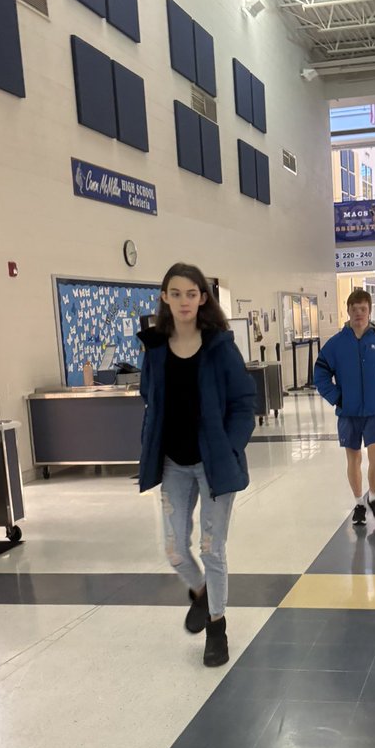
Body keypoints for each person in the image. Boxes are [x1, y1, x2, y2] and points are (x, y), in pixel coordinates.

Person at [138, 263, 256, 667]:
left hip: (214, 464)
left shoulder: (219, 346)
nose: (184, 301)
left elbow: (244, 403)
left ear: (203, 298)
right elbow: (148, 396)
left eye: (192, 293)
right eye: (176, 293)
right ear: (165, 298)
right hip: (172, 462)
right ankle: (203, 595)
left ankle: (217, 628)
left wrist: (228, 445)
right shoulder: (154, 348)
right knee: (174, 550)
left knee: (212, 549)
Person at [314, 288, 375, 525]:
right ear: (348, 311)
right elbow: (320, 372)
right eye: (354, 309)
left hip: (373, 412)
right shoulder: (336, 344)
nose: (359, 313)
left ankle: (373, 497)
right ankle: (358, 504)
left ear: (369, 311)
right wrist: (336, 397)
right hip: (348, 413)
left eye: (363, 309)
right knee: (354, 460)